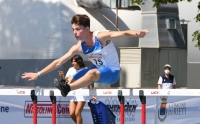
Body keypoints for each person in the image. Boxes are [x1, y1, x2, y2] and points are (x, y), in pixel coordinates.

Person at [21, 14, 149, 96]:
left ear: (87, 29)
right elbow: (59, 62)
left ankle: (68, 89)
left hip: (112, 72)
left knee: (90, 73)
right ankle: (67, 87)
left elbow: (124, 33)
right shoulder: (79, 46)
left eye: (78, 29)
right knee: (73, 76)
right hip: (98, 70)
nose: (74, 33)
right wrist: (38, 74)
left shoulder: (101, 37)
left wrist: (137, 34)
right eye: (73, 30)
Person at [59, 54, 93, 124]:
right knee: (71, 113)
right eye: (72, 61)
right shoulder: (71, 70)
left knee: (77, 113)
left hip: (83, 92)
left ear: (79, 61)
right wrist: (62, 76)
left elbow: (90, 83)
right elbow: (66, 80)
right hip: (73, 93)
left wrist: (92, 94)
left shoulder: (85, 70)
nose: (73, 63)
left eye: (74, 61)